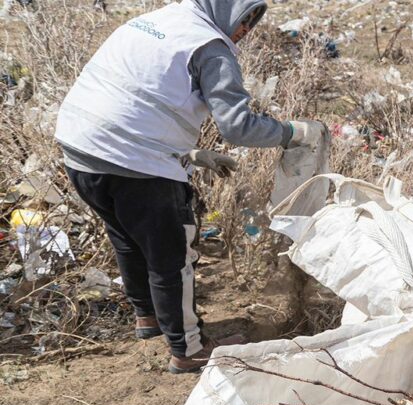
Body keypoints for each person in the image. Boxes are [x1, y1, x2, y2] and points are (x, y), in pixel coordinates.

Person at [54, 0, 322, 373]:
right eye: (244, 19)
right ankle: (189, 349)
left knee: (128, 238)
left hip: (79, 148)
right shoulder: (209, 48)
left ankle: (147, 318)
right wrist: (290, 132)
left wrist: (188, 153)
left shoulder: (155, 21)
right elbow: (238, 127)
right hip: (135, 164)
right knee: (173, 257)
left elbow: (136, 95)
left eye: (252, 22)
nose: (244, 31)